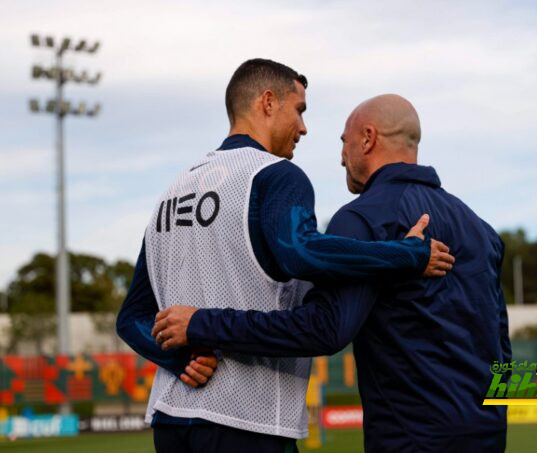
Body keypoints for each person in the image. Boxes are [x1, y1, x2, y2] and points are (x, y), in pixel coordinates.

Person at [117, 60, 454, 453]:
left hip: (171, 421)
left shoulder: (172, 193)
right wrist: (405, 254)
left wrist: (180, 360)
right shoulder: (276, 175)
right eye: (300, 110)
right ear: (268, 102)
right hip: (247, 421)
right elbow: (301, 252)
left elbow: (132, 318)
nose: (304, 127)